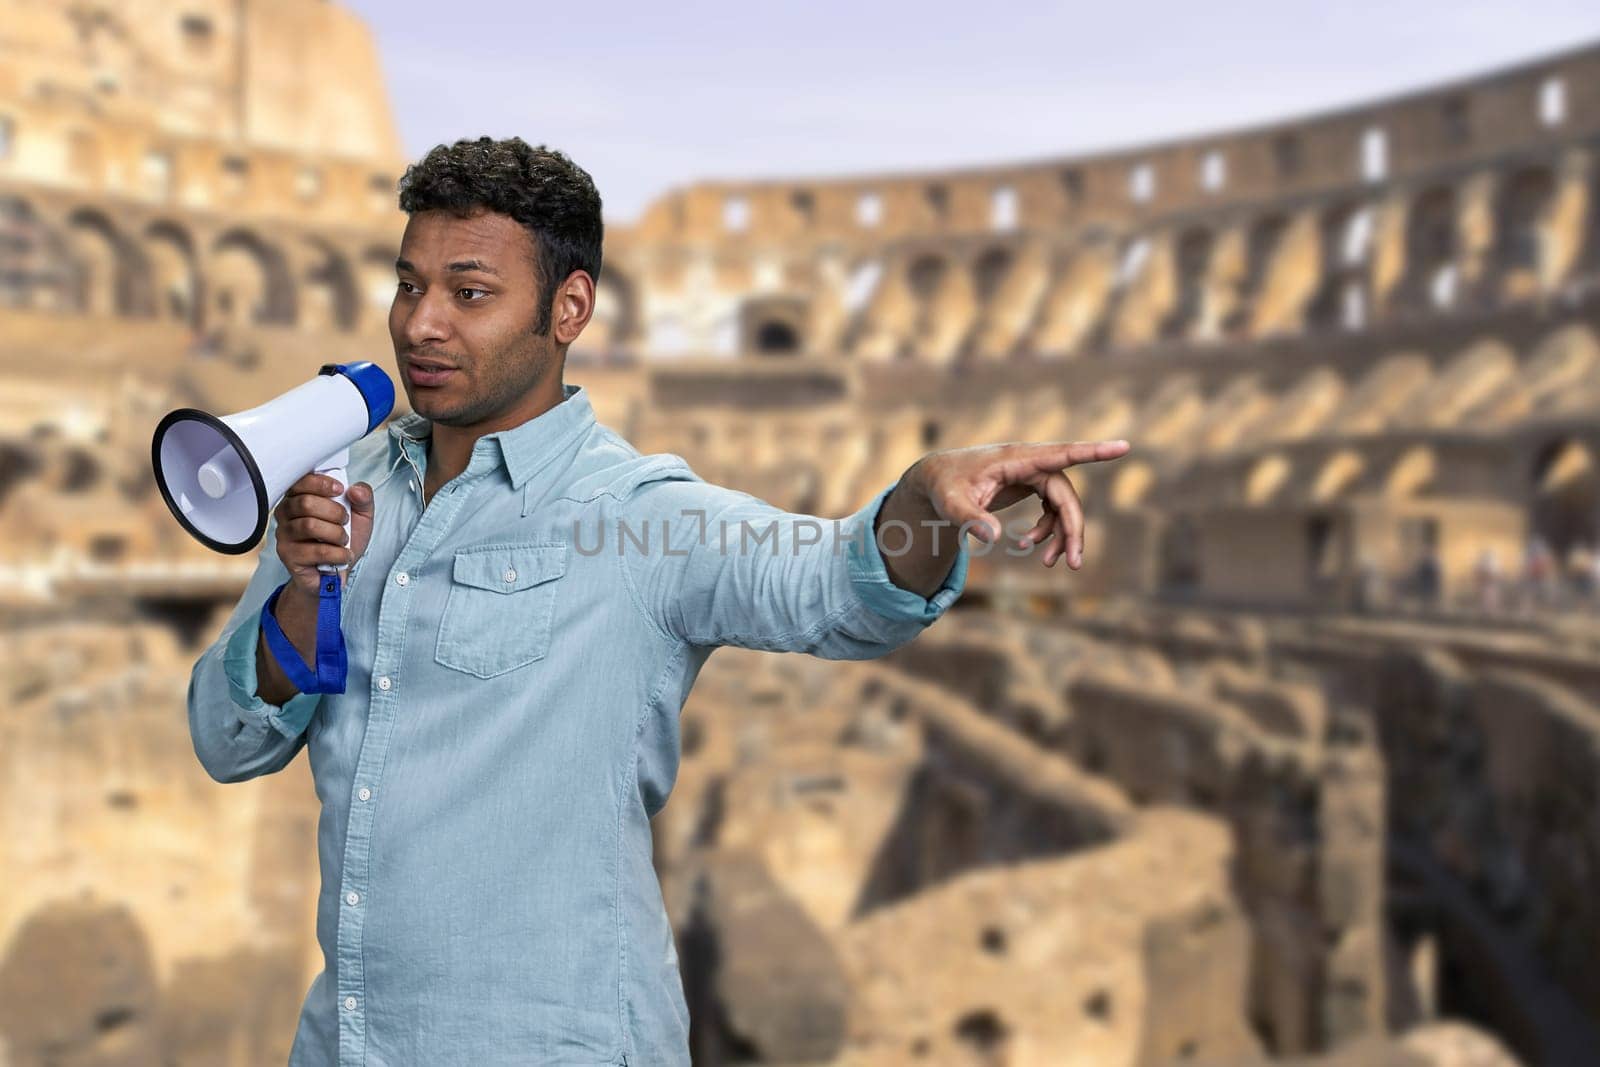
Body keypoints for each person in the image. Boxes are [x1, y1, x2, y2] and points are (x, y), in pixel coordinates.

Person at [183, 136, 1130, 1066]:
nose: (420, 323)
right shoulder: (343, 491)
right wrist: (306, 592)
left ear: (569, 308)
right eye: (408, 284)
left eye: (469, 293)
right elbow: (229, 742)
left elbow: (837, 586)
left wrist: (924, 502)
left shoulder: (638, 517)